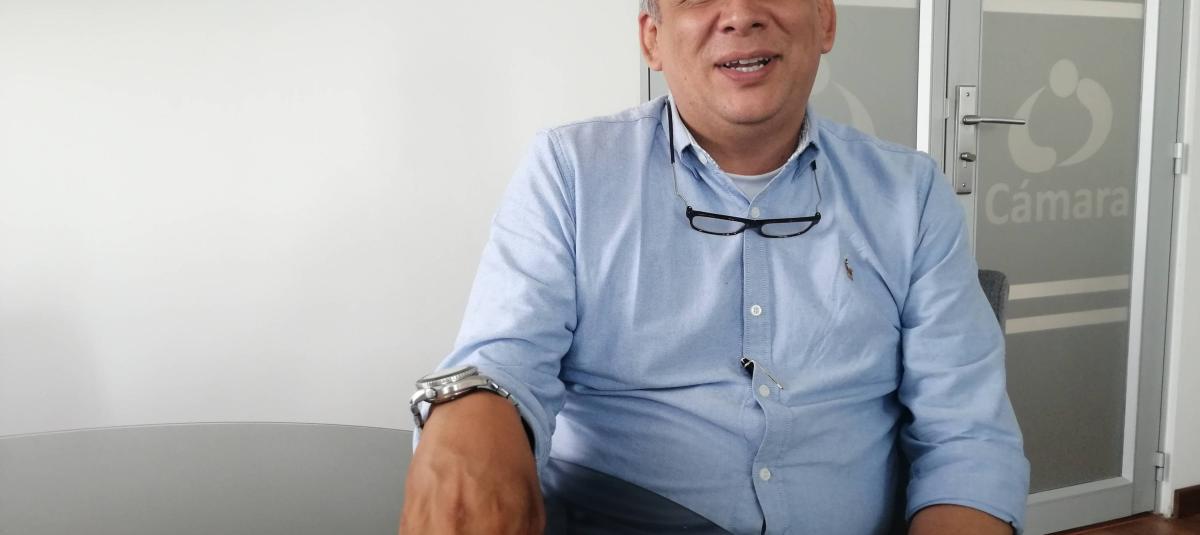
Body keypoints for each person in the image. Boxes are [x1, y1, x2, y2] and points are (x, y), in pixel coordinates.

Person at [399, 0, 1030, 533]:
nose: (740, 15)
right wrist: (473, 407)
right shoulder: (570, 172)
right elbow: (502, 362)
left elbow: (966, 438)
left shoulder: (911, 194)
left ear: (825, 20)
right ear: (652, 38)